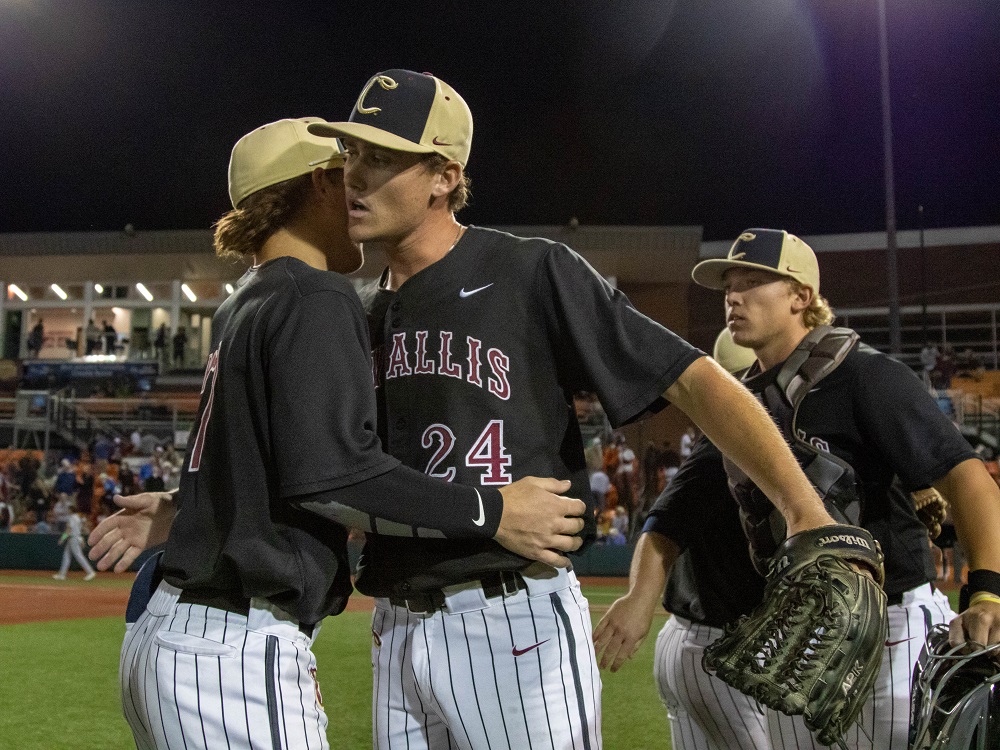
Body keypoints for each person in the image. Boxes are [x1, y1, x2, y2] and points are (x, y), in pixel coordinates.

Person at [307, 70, 852, 750]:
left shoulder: (529, 270)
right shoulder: (361, 310)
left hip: (510, 620)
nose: (355, 175)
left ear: (444, 176)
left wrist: (804, 508)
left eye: (381, 158)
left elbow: (694, 380)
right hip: (395, 622)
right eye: (351, 154)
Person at [89, 117, 585, 750]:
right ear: (317, 186)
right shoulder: (314, 295)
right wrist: (493, 508)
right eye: (344, 170)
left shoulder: (245, 300)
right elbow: (334, 473)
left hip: (179, 636)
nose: (357, 185)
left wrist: (192, 511)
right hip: (232, 649)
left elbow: (262, 457)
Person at [594, 229, 1000, 750]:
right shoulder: (741, 403)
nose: (733, 297)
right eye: (728, 286)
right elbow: (674, 514)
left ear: (800, 297)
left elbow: (967, 477)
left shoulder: (865, 375)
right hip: (800, 633)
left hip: (888, 626)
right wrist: (640, 595)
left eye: (753, 282)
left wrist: (987, 591)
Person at [53, 510, 96, 581]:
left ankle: (90, 572)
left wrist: (62, 538)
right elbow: (82, 528)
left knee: (78, 555)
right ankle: (62, 574)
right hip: (75, 538)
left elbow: (68, 529)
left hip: (73, 538)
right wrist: (81, 538)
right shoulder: (78, 518)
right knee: (66, 556)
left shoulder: (72, 518)